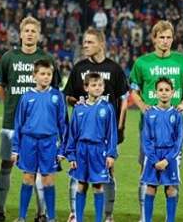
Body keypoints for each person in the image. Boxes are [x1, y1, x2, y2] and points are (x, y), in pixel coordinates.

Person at [0, 16, 61, 222]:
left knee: (40, 170)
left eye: (33, 31)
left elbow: (54, 92)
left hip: (40, 127)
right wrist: (13, 108)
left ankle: (41, 214)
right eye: (26, 30)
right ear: (20, 33)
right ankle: (0, 210)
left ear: (39, 35)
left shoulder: (47, 59)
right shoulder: (8, 58)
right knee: (5, 165)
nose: (30, 34)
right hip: (12, 123)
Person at [129, 20, 183, 221]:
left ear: (173, 39)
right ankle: (144, 216)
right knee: (146, 174)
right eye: (161, 37)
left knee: (172, 180)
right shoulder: (142, 62)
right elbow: (134, 91)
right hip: (149, 126)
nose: (165, 41)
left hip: (173, 127)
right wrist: (143, 107)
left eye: (169, 37)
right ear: (154, 38)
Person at [63, 28, 129, 222]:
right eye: (84, 41)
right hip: (84, 133)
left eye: (90, 42)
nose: (85, 45)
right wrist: (78, 103)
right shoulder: (79, 68)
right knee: (78, 175)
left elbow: (123, 99)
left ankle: (107, 215)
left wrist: (120, 126)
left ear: (101, 44)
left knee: (107, 172)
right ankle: (75, 213)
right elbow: (69, 97)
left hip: (106, 131)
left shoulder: (114, 69)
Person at [11, 59, 67, 222]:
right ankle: (22, 217)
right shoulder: (26, 97)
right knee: (28, 178)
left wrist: (63, 149)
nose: (46, 77)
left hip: (49, 143)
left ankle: (51, 217)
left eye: (49, 74)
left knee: (48, 179)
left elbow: (63, 123)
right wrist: (15, 148)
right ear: (34, 76)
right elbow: (18, 124)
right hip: (28, 142)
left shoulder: (57, 96)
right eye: (42, 74)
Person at [66, 72, 118, 222]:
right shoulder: (78, 109)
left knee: (98, 186)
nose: (97, 88)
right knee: (81, 185)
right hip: (82, 150)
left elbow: (112, 133)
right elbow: (72, 134)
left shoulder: (107, 108)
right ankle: (79, 218)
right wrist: (71, 155)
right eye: (93, 85)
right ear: (86, 88)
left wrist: (110, 154)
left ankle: (98, 219)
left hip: (99, 150)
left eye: (100, 85)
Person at [141, 77, 183, 222]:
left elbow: (179, 141)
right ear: (156, 93)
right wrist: (154, 160)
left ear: (172, 93)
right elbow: (146, 140)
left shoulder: (177, 114)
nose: (164, 93)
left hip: (170, 156)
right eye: (161, 90)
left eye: (167, 90)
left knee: (171, 189)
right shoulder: (149, 113)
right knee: (151, 188)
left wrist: (167, 160)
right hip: (153, 155)